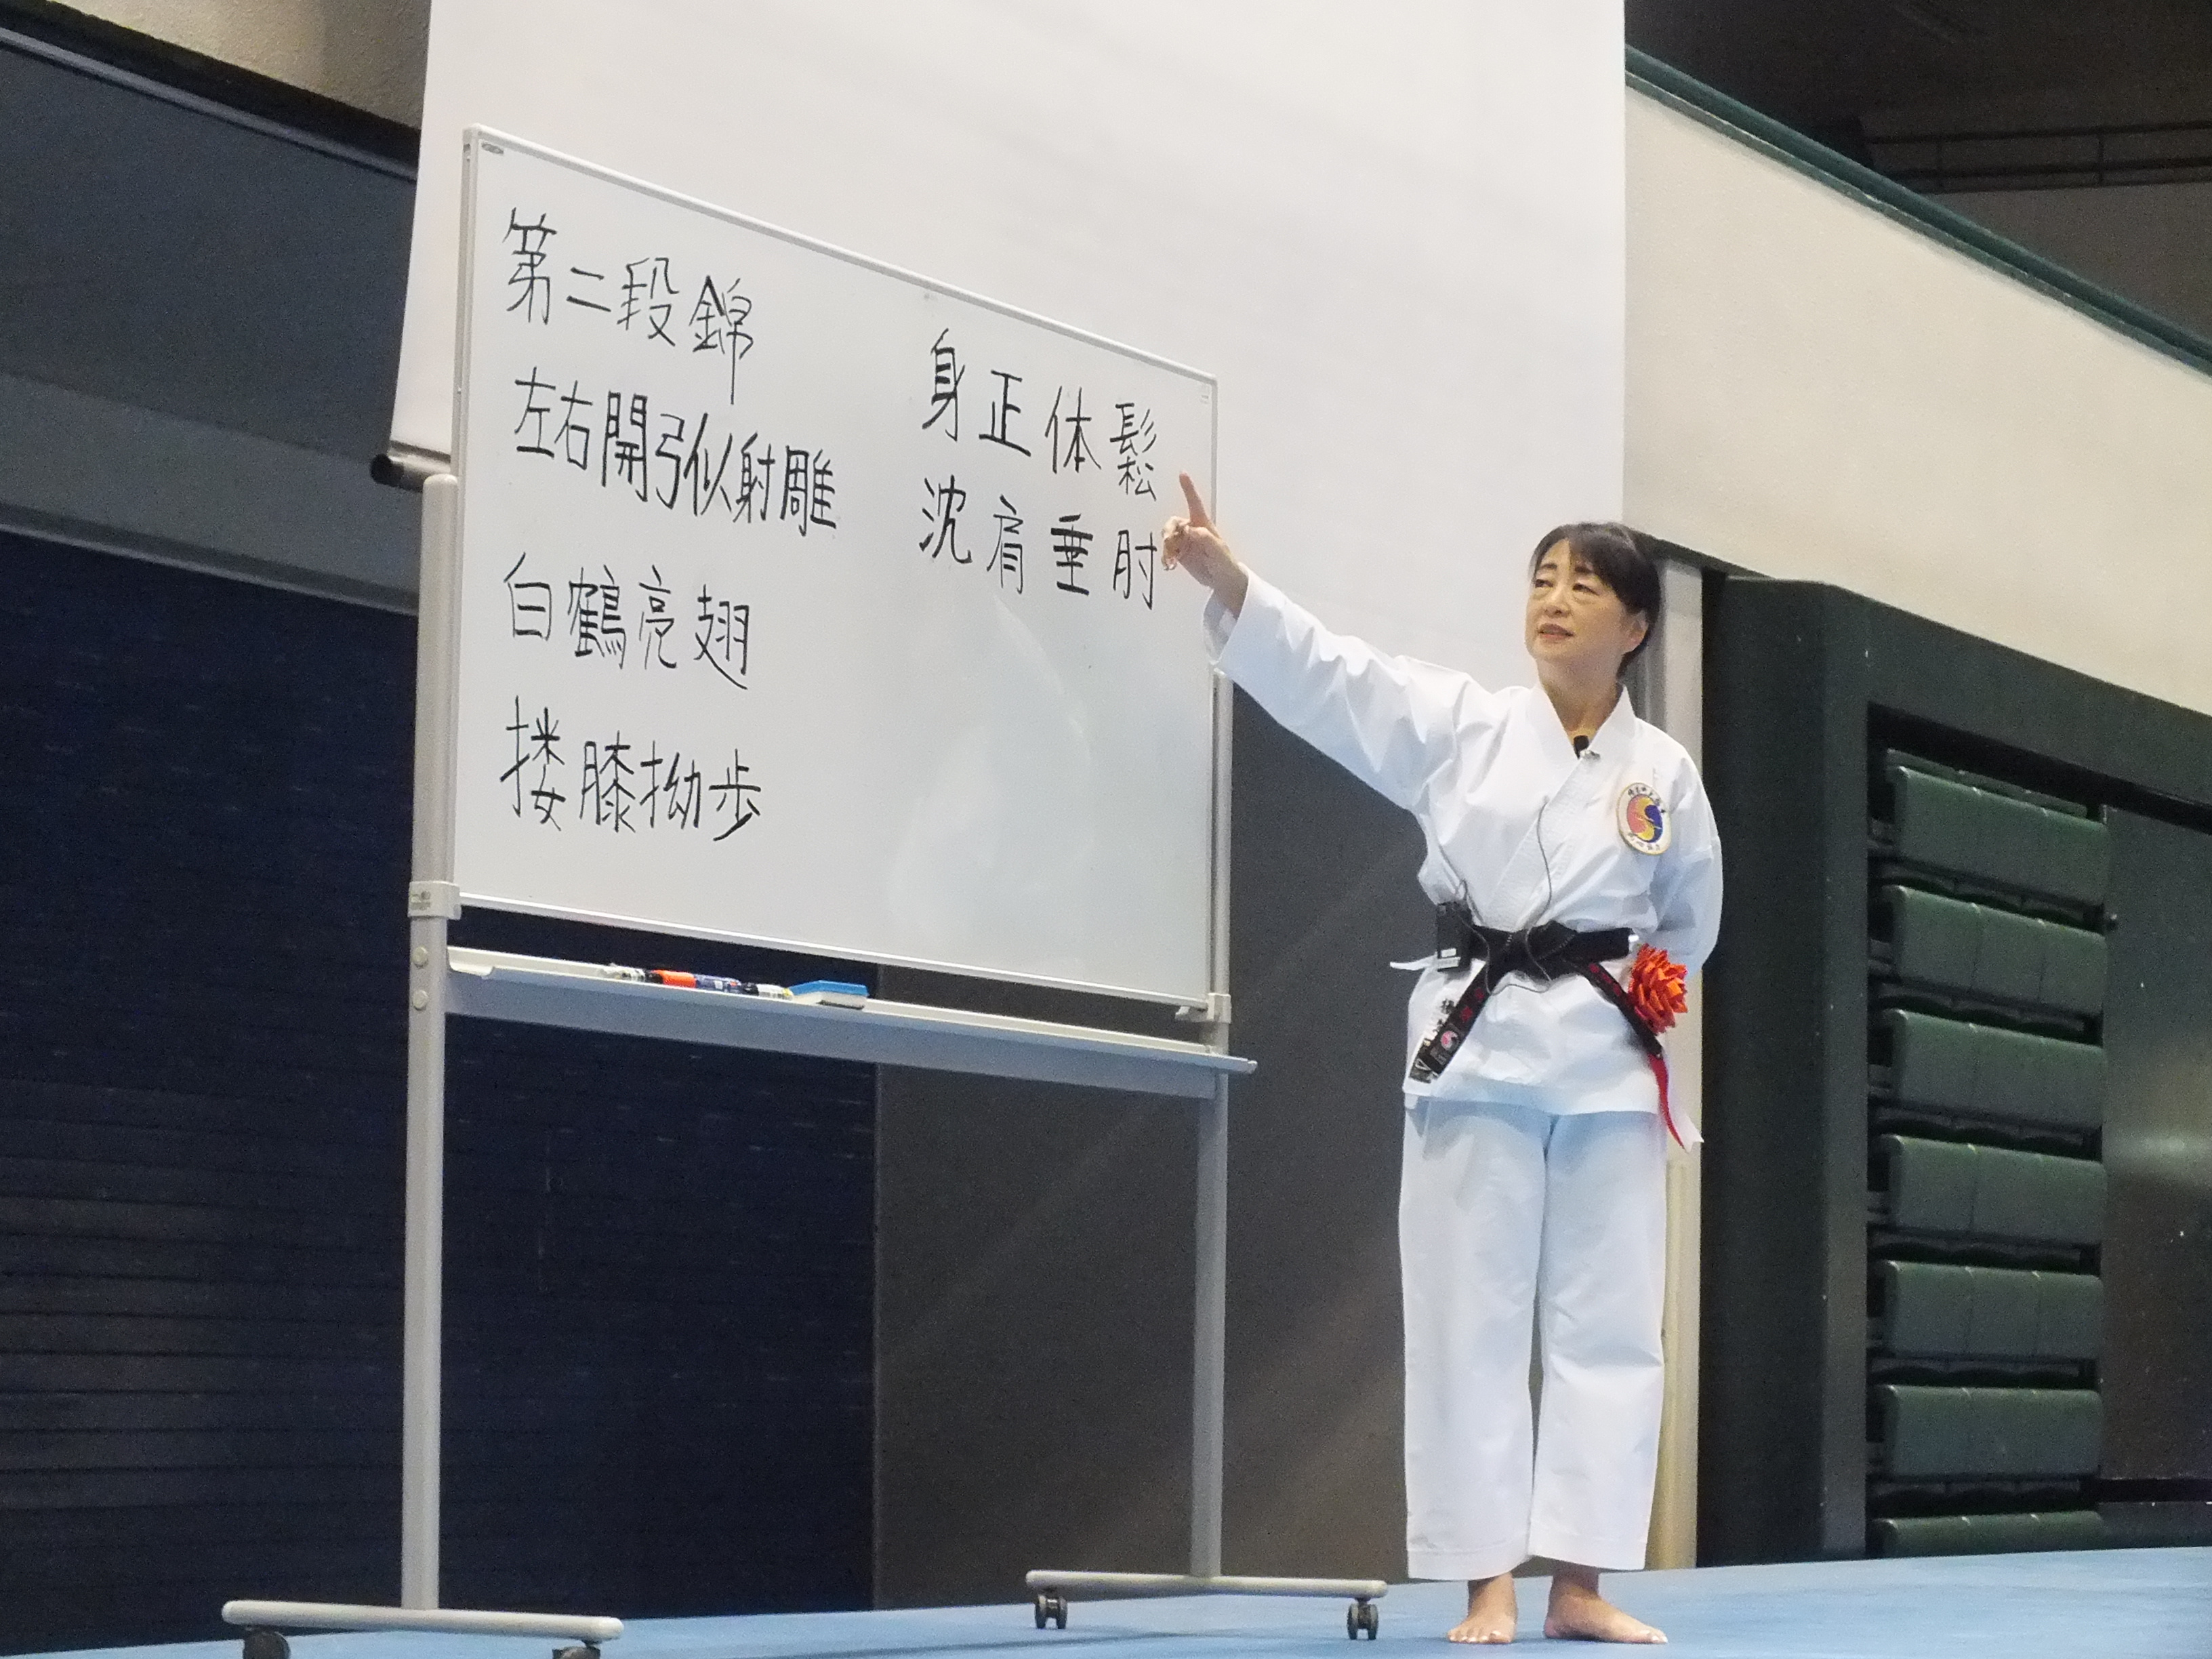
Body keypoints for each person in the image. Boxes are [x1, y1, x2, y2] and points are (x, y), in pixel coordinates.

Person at [1161, 476, 1721, 1645]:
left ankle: (1581, 1583)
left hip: (1609, 1064)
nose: (1553, 599)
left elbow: (1689, 918)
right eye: (1542, 578)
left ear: (1635, 626)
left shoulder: (1663, 771)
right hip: (1481, 1050)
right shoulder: (1462, 724)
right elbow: (1336, 679)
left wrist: (1637, 987)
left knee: (1612, 1325)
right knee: (1470, 1320)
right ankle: (1485, 1583)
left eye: (1584, 585)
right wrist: (1234, 586)